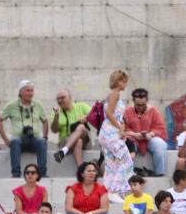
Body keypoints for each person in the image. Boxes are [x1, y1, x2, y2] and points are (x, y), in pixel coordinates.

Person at [0, 80, 48, 179]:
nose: (30, 93)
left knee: (42, 141)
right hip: (19, 140)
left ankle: (42, 173)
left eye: (32, 91)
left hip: (35, 139)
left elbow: (45, 121)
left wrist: (45, 136)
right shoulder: (11, 105)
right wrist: (5, 139)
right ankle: (16, 174)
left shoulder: (38, 105)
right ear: (21, 92)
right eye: (27, 90)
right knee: (15, 140)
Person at [97, 70, 133, 200]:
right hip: (110, 132)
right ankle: (116, 190)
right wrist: (120, 127)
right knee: (126, 160)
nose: (126, 84)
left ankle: (108, 191)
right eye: (124, 81)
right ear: (118, 82)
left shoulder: (113, 94)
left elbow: (114, 114)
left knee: (112, 163)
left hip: (108, 132)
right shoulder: (115, 94)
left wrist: (120, 126)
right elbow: (110, 113)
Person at [123, 88, 168, 177]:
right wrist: (135, 134)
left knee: (159, 145)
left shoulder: (154, 111)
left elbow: (160, 127)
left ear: (147, 101)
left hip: (150, 138)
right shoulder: (127, 111)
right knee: (125, 145)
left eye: (143, 105)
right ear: (133, 101)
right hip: (133, 138)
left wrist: (150, 134)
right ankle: (127, 174)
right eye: (137, 105)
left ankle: (160, 173)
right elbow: (123, 128)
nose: (140, 107)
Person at [49, 89, 90, 164]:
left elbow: (95, 115)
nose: (60, 101)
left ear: (70, 97)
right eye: (58, 99)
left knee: (81, 127)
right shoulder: (56, 112)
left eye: (62, 97)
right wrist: (56, 116)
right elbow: (54, 130)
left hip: (85, 139)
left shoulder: (81, 106)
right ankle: (81, 170)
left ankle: (63, 151)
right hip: (65, 140)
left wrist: (86, 118)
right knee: (78, 141)